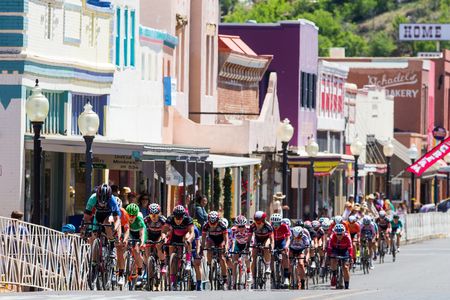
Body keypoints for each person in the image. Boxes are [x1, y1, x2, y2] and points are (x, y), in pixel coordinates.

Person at [81, 184, 121, 258]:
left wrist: (115, 228)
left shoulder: (112, 200)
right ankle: (94, 263)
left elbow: (117, 219)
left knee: (107, 223)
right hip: (98, 214)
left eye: (105, 202)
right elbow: (86, 216)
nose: (102, 204)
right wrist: (87, 228)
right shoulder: (93, 198)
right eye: (100, 201)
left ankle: (112, 246)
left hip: (109, 215)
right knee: (93, 235)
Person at [166, 205, 194, 289]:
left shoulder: (188, 219)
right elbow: (164, 230)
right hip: (175, 235)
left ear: (183, 216)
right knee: (172, 260)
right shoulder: (170, 219)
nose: (178, 220)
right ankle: (173, 281)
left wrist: (189, 240)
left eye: (180, 218)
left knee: (186, 237)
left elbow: (192, 232)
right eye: (176, 218)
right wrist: (164, 238)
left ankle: (188, 261)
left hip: (185, 235)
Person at [201, 211, 229, 289]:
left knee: (222, 258)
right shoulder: (205, 226)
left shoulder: (222, 225)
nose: (212, 225)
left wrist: (226, 248)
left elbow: (226, 240)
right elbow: (203, 240)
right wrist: (201, 249)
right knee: (209, 247)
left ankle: (225, 277)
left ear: (218, 221)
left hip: (221, 240)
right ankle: (210, 264)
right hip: (211, 240)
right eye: (211, 223)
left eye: (214, 223)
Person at [124, 203, 147, 286]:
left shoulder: (139, 219)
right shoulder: (125, 218)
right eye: (129, 215)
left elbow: (142, 233)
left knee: (137, 250)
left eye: (133, 216)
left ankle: (140, 269)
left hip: (138, 233)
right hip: (130, 233)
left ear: (136, 215)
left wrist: (142, 242)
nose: (130, 217)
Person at [143, 203, 167, 275]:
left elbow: (165, 231)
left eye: (156, 214)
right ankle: (147, 268)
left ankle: (163, 264)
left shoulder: (163, 220)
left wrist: (163, 239)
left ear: (159, 214)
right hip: (149, 235)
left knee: (158, 246)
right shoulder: (146, 220)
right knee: (146, 249)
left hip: (159, 235)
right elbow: (142, 231)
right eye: (151, 214)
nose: (153, 216)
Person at [249, 211, 274, 279]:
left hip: (266, 239)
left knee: (266, 247)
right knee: (253, 257)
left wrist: (271, 247)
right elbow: (249, 238)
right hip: (257, 239)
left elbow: (272, 239)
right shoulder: (253, 226)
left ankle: (267, 265)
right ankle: (253, 277)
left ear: (263, 221)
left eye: (259, 222)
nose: (257, 224)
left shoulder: (268, 226)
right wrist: (247, 246)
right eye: (256, 222)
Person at [328, 224, 352, 289]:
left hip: (345, 250)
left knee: (345, 267)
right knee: (333, 260)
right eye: (337, 234)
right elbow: (330, 247)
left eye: (341, 234)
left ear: (344, 233)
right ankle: (334, 275)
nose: (339, 236)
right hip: (335, 249)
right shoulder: (332, 236)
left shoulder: (347, 237)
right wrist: (330, 256)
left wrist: (350, 256)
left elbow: (350, 247)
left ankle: (346, 284)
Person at [230, 215, 252, 288]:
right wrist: (231, 251)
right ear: (236, 226)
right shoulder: (233, 230)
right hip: (237, 244)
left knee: (246, 257)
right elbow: (232, 241)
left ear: (245, 225)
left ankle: (248, 273)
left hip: (246, 244)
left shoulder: (249, 229)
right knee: (234, 261)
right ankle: (234, 280)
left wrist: (250, 249)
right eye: (239, 226)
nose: (241, 228)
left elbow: (252, 240)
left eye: (243, 226)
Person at [270, 213, 290, 286]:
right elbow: (270, 239)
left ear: (280, 223)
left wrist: (286, 247)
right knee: (271, 255)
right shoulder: (270, 227)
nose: (275, 226)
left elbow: (288, 239)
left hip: (281, 241)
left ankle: (286, 277)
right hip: (273, 241)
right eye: (274, 224)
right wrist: (271, 249)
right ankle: (272, 275)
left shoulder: (285, 226)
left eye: (277, 224)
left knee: (285, 254)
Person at [192, 219, 203, 291]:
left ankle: (199, 283)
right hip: (185, 247)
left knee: (197, 264)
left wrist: (197, 253)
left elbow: (198, 243)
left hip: (194, 247)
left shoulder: (195, 229)